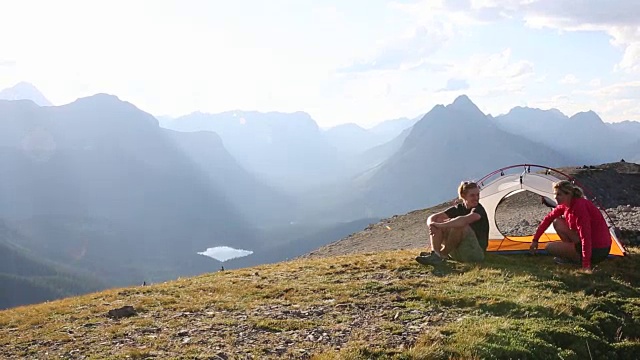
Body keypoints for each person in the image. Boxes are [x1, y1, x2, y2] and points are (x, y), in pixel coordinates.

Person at [529, 180, 611, 271]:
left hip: (597, 250)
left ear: (568, 194)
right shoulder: (565, 205)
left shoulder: (579, 207)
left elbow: (586, 236)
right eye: (555, 194)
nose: (555, 197)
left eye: (559, 194)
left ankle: (577, 259)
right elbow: (548, 219)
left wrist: (586, 265)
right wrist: (535, 239)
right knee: (557, 222)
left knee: (549, 247)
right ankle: (572, 254)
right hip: (591, 245)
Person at [416, 181, 489, 265]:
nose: (476, 198)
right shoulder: (459, 208)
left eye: (478, 195)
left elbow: (464, 220)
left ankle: (442, 254)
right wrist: (431, 225)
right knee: (438, 220)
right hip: (457, 252)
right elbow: (433, 217)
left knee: (459, 225)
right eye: (472, 195)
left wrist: (441, 225)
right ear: (463, 196)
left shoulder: (479, 209)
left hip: (474, 254)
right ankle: (435, 254)